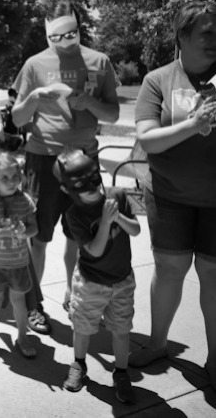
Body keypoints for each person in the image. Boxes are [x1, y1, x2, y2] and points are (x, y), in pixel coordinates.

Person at [11, 0, 120, 334]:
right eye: (56, 37)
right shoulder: (34, 65)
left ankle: (75, 296)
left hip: (84, 161)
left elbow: (113, 114)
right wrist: (32, 99)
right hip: (42, 159)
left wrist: (90, 102)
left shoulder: (99, 61)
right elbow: (17, 118)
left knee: (80, 236)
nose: (63, 42)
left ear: (77, 26)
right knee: (38, 237)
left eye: (70, 33)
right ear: (47, 34)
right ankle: (34, 305)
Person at [129, 0, 216, 389]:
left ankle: (215, 359)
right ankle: (158, 343)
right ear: (182, 36)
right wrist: (194, 125)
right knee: (169, 271)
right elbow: (147, 138)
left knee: (213, 277)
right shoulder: (158, 80)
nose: (214, 40)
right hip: (168, 197)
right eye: (207, 32)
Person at [55, 150, 139, 403]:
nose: (92, 187)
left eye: (94, 178)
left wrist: (118, 217)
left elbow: (135, 230)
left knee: (121, 329)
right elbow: (94, 250)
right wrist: (104, 222)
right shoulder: (74, 213)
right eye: (81, 184)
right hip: (90, 281)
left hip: (122, 280)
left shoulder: (118, 195)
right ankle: (79, 364)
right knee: (83, 326)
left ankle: (121, 373)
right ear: (66, 188)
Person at [0, 151, 38, 360]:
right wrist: (5, 231)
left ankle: (22, 337)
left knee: (18, 301)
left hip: (19, 263)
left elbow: (34, 229)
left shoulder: (24, 201)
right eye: (4, 178)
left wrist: (23, 232)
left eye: (15, 177)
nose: (11, 182)